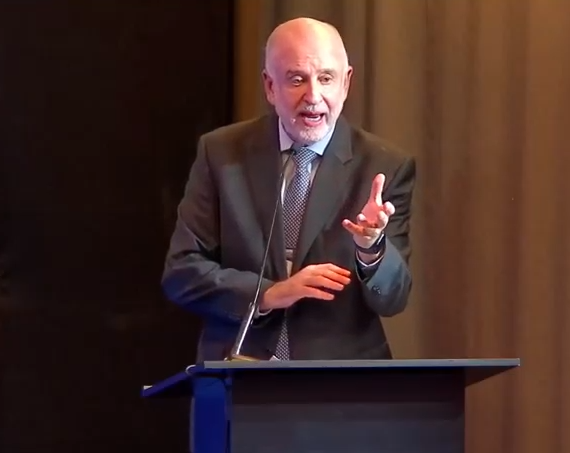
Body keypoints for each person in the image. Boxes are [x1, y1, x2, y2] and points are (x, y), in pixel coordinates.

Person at [161, 17, 415, 361]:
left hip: (341, 381)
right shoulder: (221, 154)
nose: (313, 96)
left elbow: (393, 298)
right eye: (297, 79)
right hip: (241, 373)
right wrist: (269, 294)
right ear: (270, 86)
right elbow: (182, 272)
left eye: (326, 78)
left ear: (346, 83)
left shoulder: (384, 166)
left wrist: (372, 248)